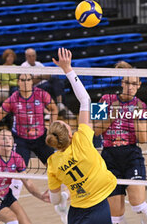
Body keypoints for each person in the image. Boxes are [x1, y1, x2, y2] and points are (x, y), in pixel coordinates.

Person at [46, 48, 117, 224]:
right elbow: (85, 100)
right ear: (70, 134)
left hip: (76, 213)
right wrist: (67, 69)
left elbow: (54, 200)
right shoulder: (82, 140)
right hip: (98, 207)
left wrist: (62, 195)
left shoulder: (53, 163)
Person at [94, 61, 147, 224]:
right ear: (122, 82)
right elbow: (95, 131)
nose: (130, 87)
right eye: (127, 83)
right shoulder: (105, 99)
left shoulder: (141, 105)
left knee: (138, 205)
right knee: (116, 216)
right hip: (109, 157)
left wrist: (135, 117)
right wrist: (111, 116)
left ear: (139, 85)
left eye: (134, 84)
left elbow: (143, 139)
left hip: (131, 155)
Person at [0, 73, 58, 199]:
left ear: (32, 81)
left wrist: (52, 129)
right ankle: (11, 200)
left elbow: (54, 109)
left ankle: (57, 197)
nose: (25, 82)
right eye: (22, 80)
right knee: (17, 173)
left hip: (41, 137)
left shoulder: (41, 94)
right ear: (18, 82)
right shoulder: (13, 99)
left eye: (28, 79)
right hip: (21, 140)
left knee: (55, 166)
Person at [0, 129, 50, 224]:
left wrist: (41, 196)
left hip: (6, 195)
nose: (7, 140)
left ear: (13, 142)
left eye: (10, 138)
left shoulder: (17, 158)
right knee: (12, 218)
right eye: (3, 138)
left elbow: (28, 182)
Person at [21, 48, 75, 119]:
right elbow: (30, 81)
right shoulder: (24, 66)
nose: (32, 57)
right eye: (29, 56)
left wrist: (38, 77)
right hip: (35, 87)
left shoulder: (39, 64)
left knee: (58, 81)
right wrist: (42, 77)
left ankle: (60, 104)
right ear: (26, 57)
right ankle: (51, 111)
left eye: (33, 55)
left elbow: (48, 75)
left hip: (46, 83)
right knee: (47, 86)